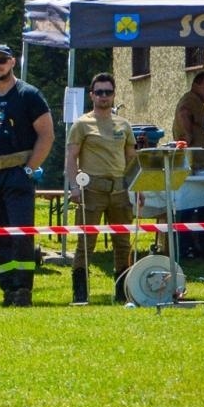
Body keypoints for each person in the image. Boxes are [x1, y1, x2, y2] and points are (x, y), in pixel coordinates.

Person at [0, 43, 53, 307]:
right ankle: (7, 287)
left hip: (17, 173)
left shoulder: (29, 94)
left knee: (20, 234)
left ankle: (22, 290)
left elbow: (46, 135)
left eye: (2, 60)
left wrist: (29, 169)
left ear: (13, 62)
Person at [64, 73, 136, 305]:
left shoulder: (124, 125)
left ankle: (122, 292)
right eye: (99, 92)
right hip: (91, 189)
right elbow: (71, 157)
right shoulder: (82, 123)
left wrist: (138, 189)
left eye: (108, 92)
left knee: (123, 243)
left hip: (120, 191)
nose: (103, 96)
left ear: (114, 95)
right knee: (86, 243)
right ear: (92, 95)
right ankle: (80, 294)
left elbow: (132, 160)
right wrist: (74, 187)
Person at [172, 69, 204, 257]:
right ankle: (190, 246)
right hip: (196, 165)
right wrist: (188, 134)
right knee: (193, 206)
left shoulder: (197, 102)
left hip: (202, 164)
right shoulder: (191, 100)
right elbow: (184, 113)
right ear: (196, 85)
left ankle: (202, 244)